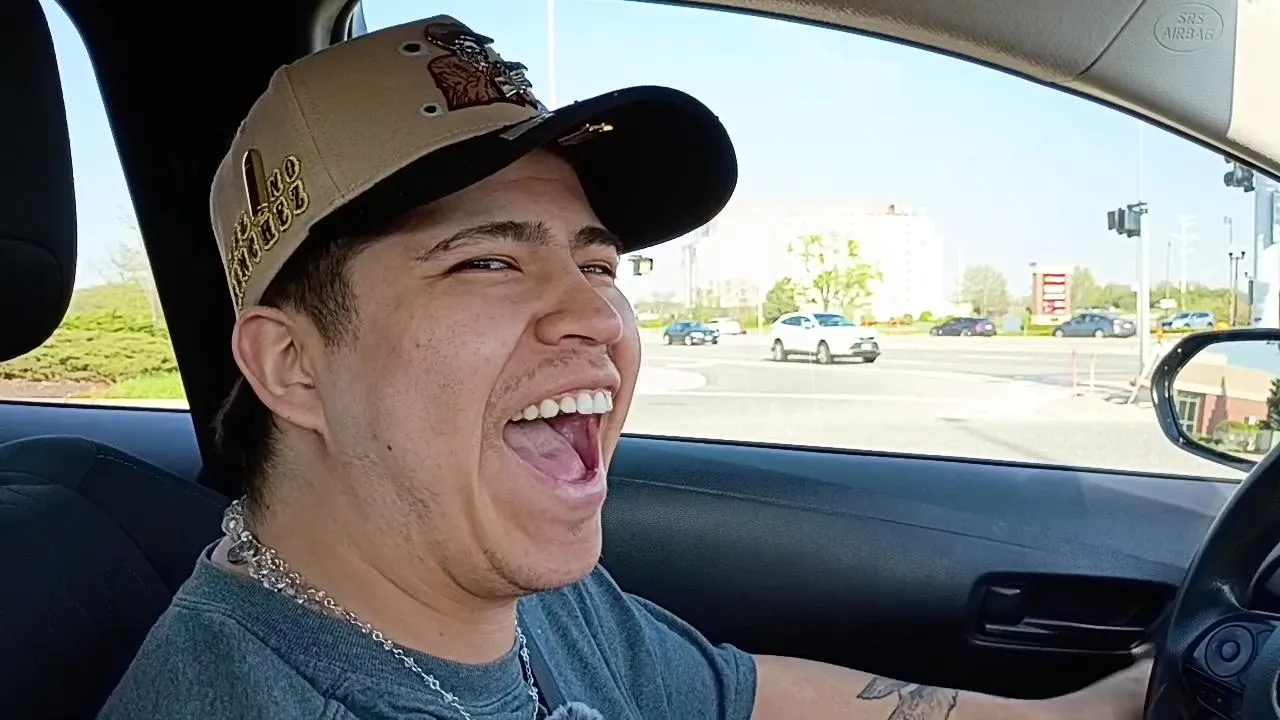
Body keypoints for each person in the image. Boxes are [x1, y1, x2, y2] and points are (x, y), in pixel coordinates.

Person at [100, 14, 1151, 720]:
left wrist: (1089, 711)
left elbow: (736, 695)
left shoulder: (515, 591)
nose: (596, 316)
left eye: (597, 263)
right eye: (487, 261)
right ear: (292, 367)